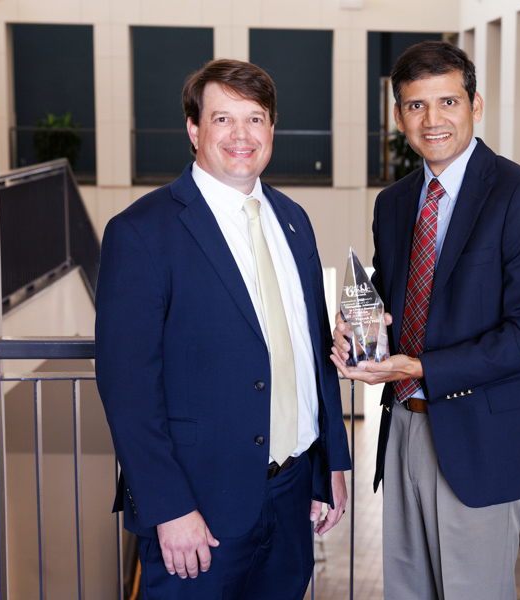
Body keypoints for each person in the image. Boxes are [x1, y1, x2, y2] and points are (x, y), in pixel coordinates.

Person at [96, 58, 351, 600]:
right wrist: (169, 508)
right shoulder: (141, 232)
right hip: (197, 511)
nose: (241, 135)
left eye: (255, 119)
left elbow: (310, 350)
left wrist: (331, 463)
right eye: (222, 119)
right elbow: (127, 389)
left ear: (272, 129)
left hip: (290, 498)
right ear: (194, 129)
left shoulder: (293, 220)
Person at [332, 41, 520, 599]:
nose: (433, 120)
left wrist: (421, 365)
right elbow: (394, 304)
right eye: (416, 106)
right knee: (407, 591)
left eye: (448, 102)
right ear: (398, 116)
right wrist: (359, 336)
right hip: (403, 428)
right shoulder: (393, 202)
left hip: (481, 438)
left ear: (475, 105)